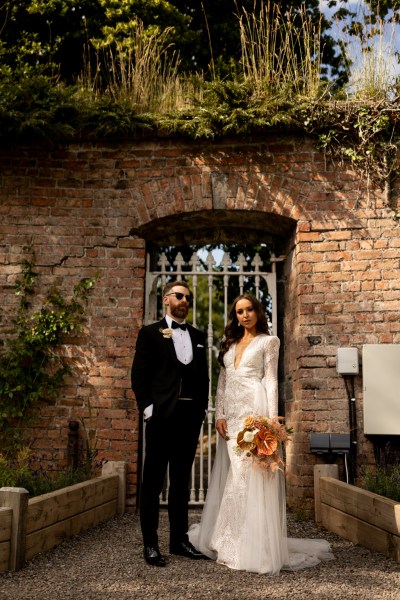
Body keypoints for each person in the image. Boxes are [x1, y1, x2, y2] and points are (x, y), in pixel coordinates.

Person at [189, 293, 334, 575]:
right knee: (236, 474)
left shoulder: (269, 341)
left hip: (253, 415)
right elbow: (222, 381)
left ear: (258, 312)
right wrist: (219, 413)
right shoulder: (228, 343)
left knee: (247, 476)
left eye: (249, 310)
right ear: (236, 316)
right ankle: (227, 538)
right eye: (239, 311)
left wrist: (270, 423)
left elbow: (270, 380)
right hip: (230, 416)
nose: (244, 315)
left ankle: (247, 544)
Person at [131, 280, 210, 567]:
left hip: (189, 419)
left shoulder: (199, 336)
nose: (184, 300)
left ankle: (178, 540)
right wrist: (148, 410)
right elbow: (138, 376)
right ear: (166, 299)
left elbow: (203, 378)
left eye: (188, 297)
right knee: (153, 481)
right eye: (179, 296)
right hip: (161, 416)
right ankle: (150, 544)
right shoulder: (150, 334)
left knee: (181, 481)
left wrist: (201, 410)